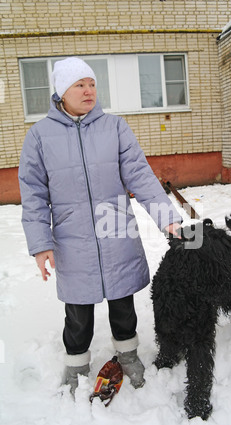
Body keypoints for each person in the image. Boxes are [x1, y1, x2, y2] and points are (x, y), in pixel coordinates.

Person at [18, 57, 182, 395]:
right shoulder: (39, 136)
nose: (89, 90)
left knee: (122, 302)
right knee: (78, 311)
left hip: (115, 230)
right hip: (71, 237)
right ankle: (76, 363)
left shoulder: (114, 127)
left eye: (91, 84)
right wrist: (40, 243)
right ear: (62, 91)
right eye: (80, 85)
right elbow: (32, 194)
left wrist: (168, 218)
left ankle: (128, 354)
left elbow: (140, 174)